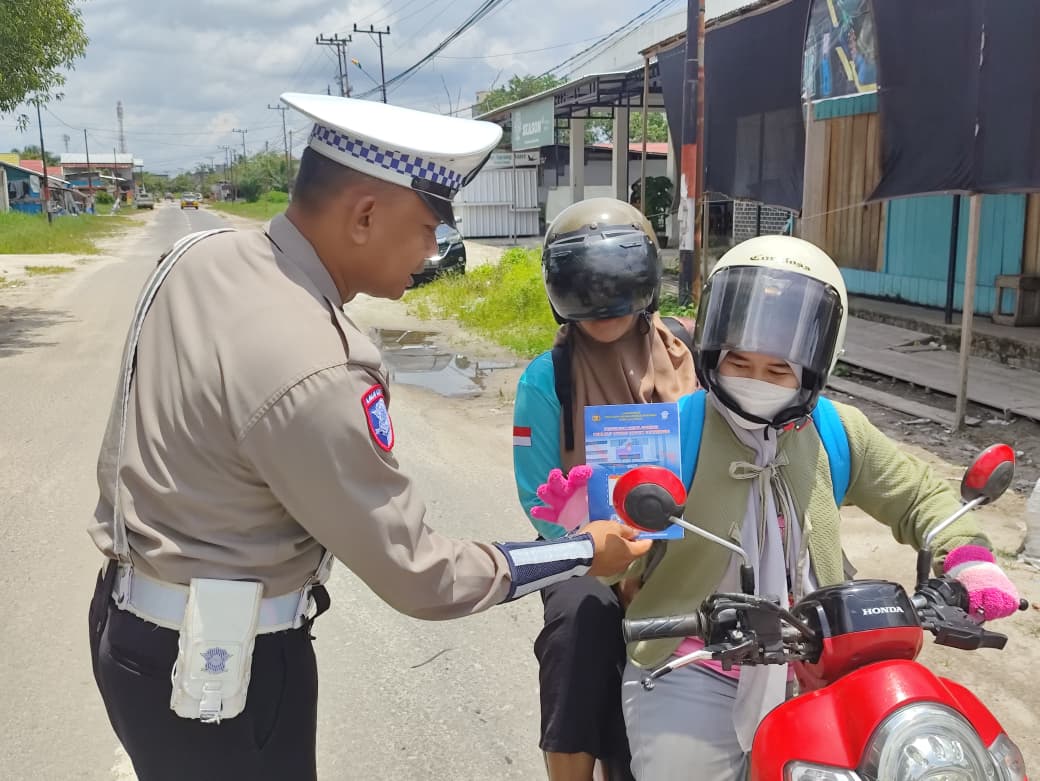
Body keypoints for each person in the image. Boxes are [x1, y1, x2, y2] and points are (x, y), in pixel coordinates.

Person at [86, 93, 651, 781]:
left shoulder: (199, 255)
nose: (433, 252)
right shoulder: (318, 360)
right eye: (427, 227)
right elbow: (422, 574)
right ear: (363, 216)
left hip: (127, 627)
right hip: (221, 674)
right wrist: (578, 549)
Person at [606, 235, 1022, 779]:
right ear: (712, 352)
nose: (755, 380)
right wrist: (598, 530)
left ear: (812, 369)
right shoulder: (664, 430)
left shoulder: (835, 429)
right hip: (689, 662)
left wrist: (968, 557)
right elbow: (615, 550)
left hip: (820, 662)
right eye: (738, 361)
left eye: (778, 370)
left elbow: (920, 494)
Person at [512, 198, 699, 781]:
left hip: (694, 544)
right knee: (578, 623)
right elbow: (538, 498)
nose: (602, 304)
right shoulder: (547, 381)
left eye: (618, 280)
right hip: (588, 555)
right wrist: (608, 563)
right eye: (584, 286)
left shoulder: (693, 356)